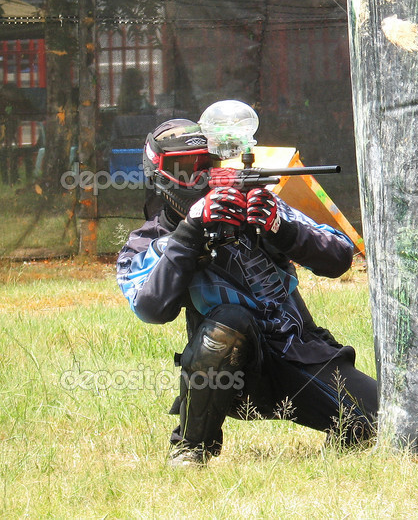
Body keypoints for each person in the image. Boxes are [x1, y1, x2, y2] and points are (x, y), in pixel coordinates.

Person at [116, 118, 377, 467]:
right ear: (160, 175)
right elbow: (151, 308)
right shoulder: (150, 241)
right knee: (229, 321)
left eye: (207, 163)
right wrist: (191, 232)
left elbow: (340, 258)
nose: (200, 176)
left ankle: (346, 428)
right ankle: (191, 446)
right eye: (186, 168)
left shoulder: (254, 203)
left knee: (386, 422)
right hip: (233, 374)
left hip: (300, 353)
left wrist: (282, 229)